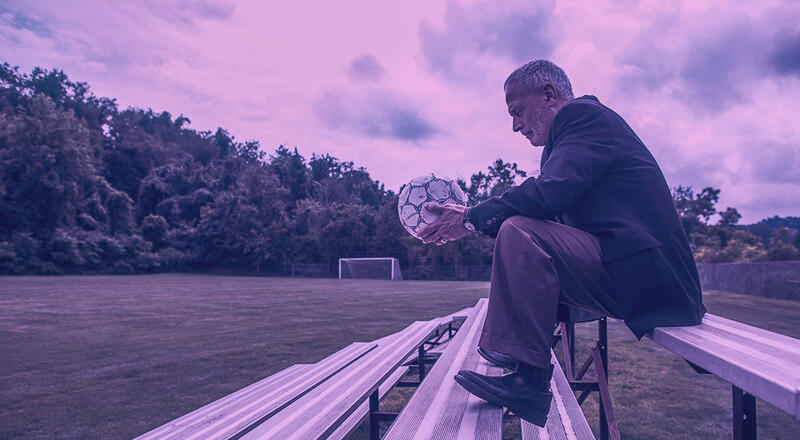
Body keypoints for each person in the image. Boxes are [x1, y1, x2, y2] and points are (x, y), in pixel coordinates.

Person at [416, 59, 706, 427]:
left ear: (549, 94)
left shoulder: (583, 116)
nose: (515, 125)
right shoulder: (569, 138)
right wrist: (472, 218)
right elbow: (553, 213)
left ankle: (527, 377)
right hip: (629, 273)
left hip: (651, 278)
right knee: (522, 229)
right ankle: (520, 364)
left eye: (517, 111)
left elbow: (550, 193)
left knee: (519, 230)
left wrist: (471, 217)